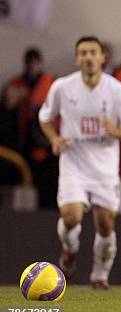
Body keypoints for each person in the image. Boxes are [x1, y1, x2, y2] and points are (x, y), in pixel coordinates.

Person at [39, 36, 121, 289]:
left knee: (106, 224)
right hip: (73, 163)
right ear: (77, 58)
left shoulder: (117, 90)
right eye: (83, 53)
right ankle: (69, 250)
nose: (88, 57)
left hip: (104, 167)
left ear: (102, 57)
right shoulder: (62, 87)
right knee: (71, 217)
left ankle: (99, 273)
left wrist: (114, 131)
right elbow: (45, 117)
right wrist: (54, 139)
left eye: (92, 52)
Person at [0, 47, 57, 207]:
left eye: (35, 63)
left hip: (48, 147)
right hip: (23, 147)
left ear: (40, 64)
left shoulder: (51, 84)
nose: (32, 67)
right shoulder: (16, 85)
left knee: (48, 188)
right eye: (29, 63)